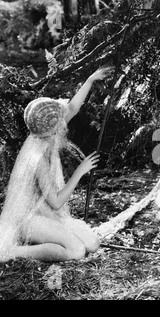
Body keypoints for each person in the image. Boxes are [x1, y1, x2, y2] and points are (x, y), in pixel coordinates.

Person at [0, 66, 112, 262]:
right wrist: (80, 171)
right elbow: (56, 202)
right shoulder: (39, 158)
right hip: (29, 219)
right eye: (61, 121)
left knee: (92, 244)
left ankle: (43, 240)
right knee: (76, 251)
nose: (65, 124)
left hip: (44, 213)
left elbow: (72, 108)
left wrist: (90, 80)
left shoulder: (44, 134)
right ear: (55, 127)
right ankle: (13, 251)